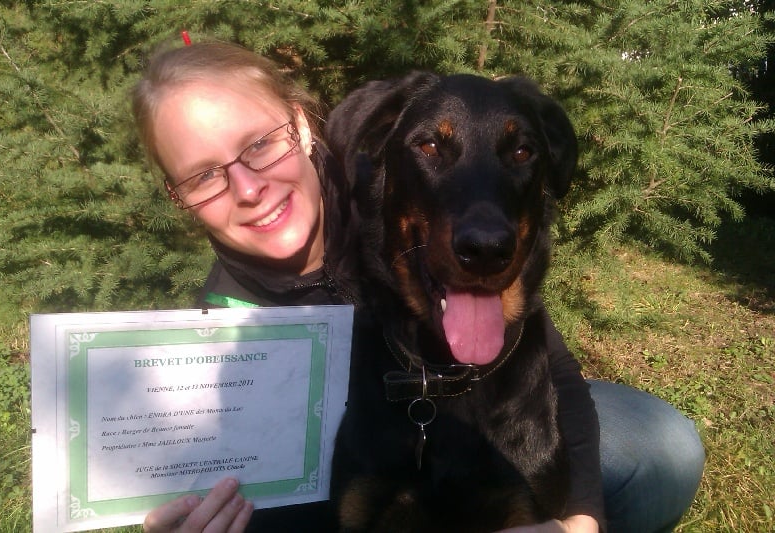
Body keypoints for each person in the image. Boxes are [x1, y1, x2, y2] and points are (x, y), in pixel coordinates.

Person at [132, 39, 704, 533]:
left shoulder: (376, 188)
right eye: (202, 175)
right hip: (376, 446)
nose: (248, 188)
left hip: (495, 411)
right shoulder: (221, 332)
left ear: (302, 126)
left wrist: (580, 517)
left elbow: (553, 370)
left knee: (664, 450)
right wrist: (200, 514)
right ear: (178, 195)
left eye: (259, 144)